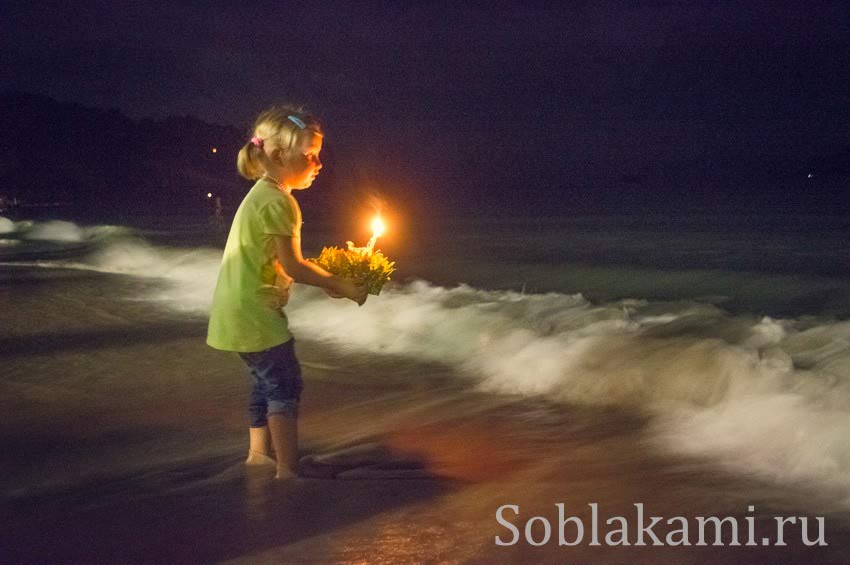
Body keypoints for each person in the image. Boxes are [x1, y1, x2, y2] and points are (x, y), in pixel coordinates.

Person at [207, 106, 367, 479]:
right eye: (310, 155)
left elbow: (276, 262)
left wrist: (329, 276)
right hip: (255, 313)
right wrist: (337, 283)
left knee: (263, 383)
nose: (318, 163)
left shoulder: (261, 195)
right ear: (279, 156)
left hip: (234, 309)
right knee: (284, 384)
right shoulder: (281, 202)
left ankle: (258, 455)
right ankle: (288, 471)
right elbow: (293, 265)